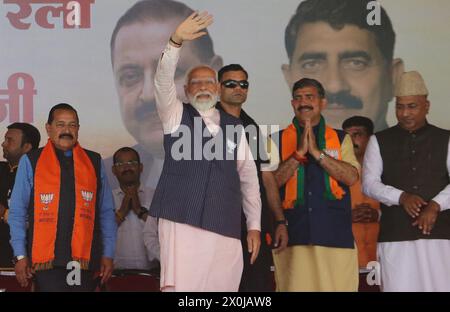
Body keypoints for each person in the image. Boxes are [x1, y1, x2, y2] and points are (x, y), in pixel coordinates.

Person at [149, 12, 261, 292]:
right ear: (186, 90)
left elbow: (249, 179)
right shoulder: (175, 115)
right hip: (181, 220)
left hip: (224, 221)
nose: (202, 87)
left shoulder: (236, 127)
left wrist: (254, 226)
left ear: (218, 90)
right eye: (195, 83)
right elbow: (162, 83)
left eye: (208, 82)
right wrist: (175, 42)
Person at [107, 0, 223, 190]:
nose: (149, 94)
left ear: (213, 77)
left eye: (170, 73)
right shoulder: (103, 177)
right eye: (130, 76)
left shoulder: (242, 155)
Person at [8, 103, 117, 292]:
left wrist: (108, 254)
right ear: (48, 128)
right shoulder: (31, 161)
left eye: (72, 125)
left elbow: (106, 212)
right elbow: (17, 212)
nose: (67, 130)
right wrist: (20, 255)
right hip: (46, 264)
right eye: (60, 124)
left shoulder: (94, 161)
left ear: (78, 129)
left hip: (85, 262)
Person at [268, 77, 360, 291]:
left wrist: (318, 154)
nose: (304, 102)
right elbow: (270, 185)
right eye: (298, 98)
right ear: (292, 104)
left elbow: (351, 177)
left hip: (335, 235)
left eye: (310, 97)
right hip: (294, 236)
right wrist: (298, 155)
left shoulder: (341, 138)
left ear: (323, 102)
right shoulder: (275, 140)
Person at [363, 71, 450, 292]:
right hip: (395, 235)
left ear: (427, 106)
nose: (405, 113)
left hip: (440, 234)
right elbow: (369, 183)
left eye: (412, 106)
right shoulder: (379, 140)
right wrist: (401, 197)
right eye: (400, 107)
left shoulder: (445, 138)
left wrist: (435, 205)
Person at [282, 0, 404, 131]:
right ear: (290, 80)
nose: (334, 86)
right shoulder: (268, 150)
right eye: (311, 65)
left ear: (393, 78)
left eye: (356, 63)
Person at [216, 64, 286, 291]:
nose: (238, 88)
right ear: (218, 88)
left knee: (254, 286)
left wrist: (279, 221)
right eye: (231, 83)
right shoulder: (205, 124)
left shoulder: (253, 128)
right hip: (215, 226)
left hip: (251, 226)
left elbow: (267, 179)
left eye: (243, 84)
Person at [342, 116, 380, 289]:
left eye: (357, 134)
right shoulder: (337, 173)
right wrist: (346, 215)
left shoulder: (387, 170)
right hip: (348, 258)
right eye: (347, 136)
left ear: (371, 138)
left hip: (382, 256)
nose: (351, 140)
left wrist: (378, 215)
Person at [111, 147, 159, 270]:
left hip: (153, 275)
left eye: (132, 163)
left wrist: (140, 211)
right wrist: (121, 212)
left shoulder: (156, 196)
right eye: (121, 164)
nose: (127, 168)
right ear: (114, 170)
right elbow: (99, 233)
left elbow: (166, 232)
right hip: (115, 276)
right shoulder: (106, 198)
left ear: (141, 167)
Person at [0, 123, 40, 268]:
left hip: (23, 260)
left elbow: (39, 216)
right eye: (5, 139)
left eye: (9, 140)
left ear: (27, 147)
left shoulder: (39, 176)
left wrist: (5, 213)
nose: (3, 144)